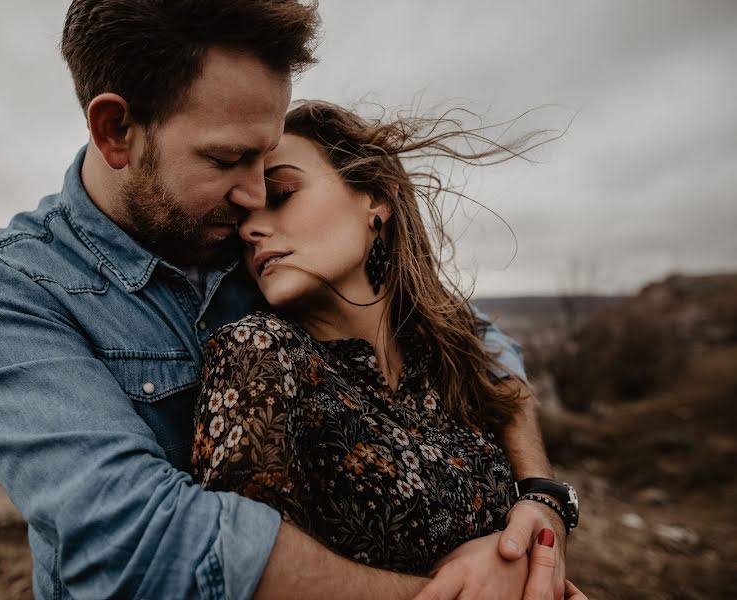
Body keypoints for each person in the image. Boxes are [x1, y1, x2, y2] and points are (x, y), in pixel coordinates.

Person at [0, 1, 578, 598]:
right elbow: (138, 539)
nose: (251, 200)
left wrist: (542, 500)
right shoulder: (6, 289)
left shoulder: (261, 246)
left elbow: (474, 338)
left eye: (268, 161)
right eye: (227, 159)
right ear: (116, 130)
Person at [192, 100, 586, 597]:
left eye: (283, 193)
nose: (250, 229)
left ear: (376, 199)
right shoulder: (257, 354)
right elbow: (237, 576)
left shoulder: (451, 355)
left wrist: (542, 516)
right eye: (242, 217)